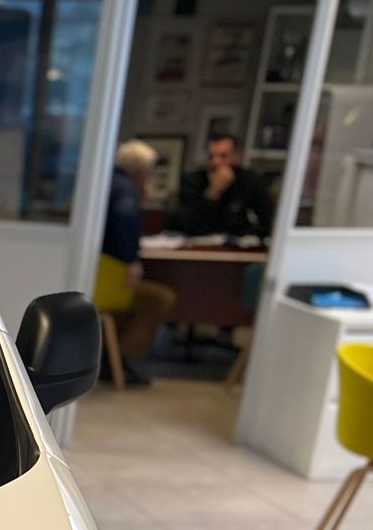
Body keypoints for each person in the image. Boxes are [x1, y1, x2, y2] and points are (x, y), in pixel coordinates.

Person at [102, 139, 179, 388]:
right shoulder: (125, 191)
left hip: (102, 275)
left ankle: (110, 357)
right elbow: (124, 227)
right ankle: (123, 359)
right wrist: (131, 262)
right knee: (160, 298)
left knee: (135, 300)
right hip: (107, 281)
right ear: (141, 171)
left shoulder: (106, 182)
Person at [171, 132, 274, 239]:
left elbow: (266, 221)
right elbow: (187, 223)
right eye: (211, 157)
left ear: (236, 157)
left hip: (238, 244)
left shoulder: (250, 180)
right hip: (201, 242)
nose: (216, 162)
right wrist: (213, 191)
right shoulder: (192, 181)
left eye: (223, 156)